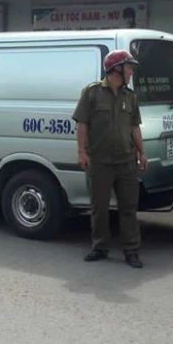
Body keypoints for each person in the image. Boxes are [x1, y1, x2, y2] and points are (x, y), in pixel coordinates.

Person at [73, 50, 147, 268]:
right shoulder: (92, 92)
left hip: (126, 161)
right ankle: (100, 247)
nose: (131, 72)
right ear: (116, 69)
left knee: (128, 208)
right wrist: (81, 152)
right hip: (99, 162)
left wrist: (142, 152)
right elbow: (82, 124)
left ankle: (131, 251)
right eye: (129, 67)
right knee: (99, 208)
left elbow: (134, 127)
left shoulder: (130, 96)